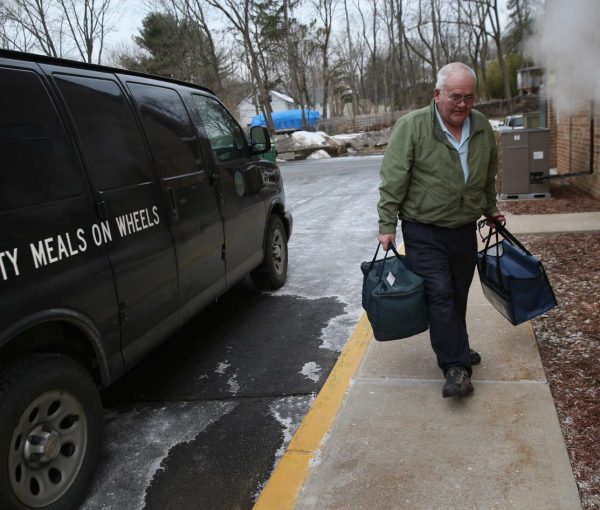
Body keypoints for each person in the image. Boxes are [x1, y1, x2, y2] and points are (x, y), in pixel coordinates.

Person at [377, 62, 504, 398]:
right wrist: (387, 223)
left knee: (458, 293)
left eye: (468, 97)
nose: (462, 104)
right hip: (423, 228)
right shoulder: (412, 126)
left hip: (462, 228)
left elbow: (488, 173)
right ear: (437, 95)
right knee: (440, 293)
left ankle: (456, 346)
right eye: (454, 96)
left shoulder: (481, 127)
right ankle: (455, 366)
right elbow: (393, 179)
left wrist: (490, 209)